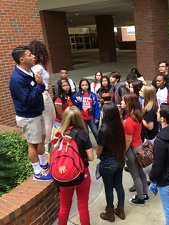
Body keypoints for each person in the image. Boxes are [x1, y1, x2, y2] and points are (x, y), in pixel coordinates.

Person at [9, 46, 52, 181]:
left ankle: (43, 164)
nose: (33, 56)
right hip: (29, 116)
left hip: (37, 112)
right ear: (22, 59)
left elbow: (39, 88)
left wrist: (39, 85)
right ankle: (37, 172)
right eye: (29, 55)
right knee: (32, 143)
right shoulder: (17, 79)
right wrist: (39, 86)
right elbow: (28, 100)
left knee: (41, 138)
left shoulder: (29, 72)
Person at [53, 106, 94, 225]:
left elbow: (52, 156)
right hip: (82, 174)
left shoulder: (57, 134)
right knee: (83, 206)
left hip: (63, 174)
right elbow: (91, 157)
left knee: (64, 207)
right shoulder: (83, 135)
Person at [96, 103, 126, 222]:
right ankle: (121, 210)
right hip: (119, 160)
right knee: (119, 185)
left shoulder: (103, 130)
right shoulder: (120, 127)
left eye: (102, 111)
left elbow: (99, 150)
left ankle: (110, 213)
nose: (101, 113)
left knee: (109, 189)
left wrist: (99, 156)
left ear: (107, 114)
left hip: (108, 163)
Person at [28, 40, 56, 153]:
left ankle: (45, 145)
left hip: (43, 95)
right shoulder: (37, 68)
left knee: (47, 120)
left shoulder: (36, 67)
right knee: (49, 121)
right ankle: (46, 146)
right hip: (43, 95)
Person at [121, 92, 149, 206]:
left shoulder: (128, 121)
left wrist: (123, 152)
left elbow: (128, 140)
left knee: (135, 175)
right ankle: (145, 194)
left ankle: (140, 198)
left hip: (132, 149)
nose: (121, 102)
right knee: (141, 172)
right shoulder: (137, 116)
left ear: (128, 104)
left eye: (123, 101)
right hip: (139, 146)